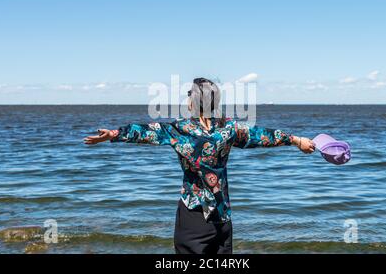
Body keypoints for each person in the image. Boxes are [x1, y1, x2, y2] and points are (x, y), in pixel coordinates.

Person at [84, 77, 315, 254]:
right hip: (222, 215)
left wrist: (112, 135)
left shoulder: (179, 129)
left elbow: (144, 131)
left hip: (193, 215)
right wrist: (297, 140)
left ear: (193, 101)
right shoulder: (230, 129)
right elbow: (264, 136)